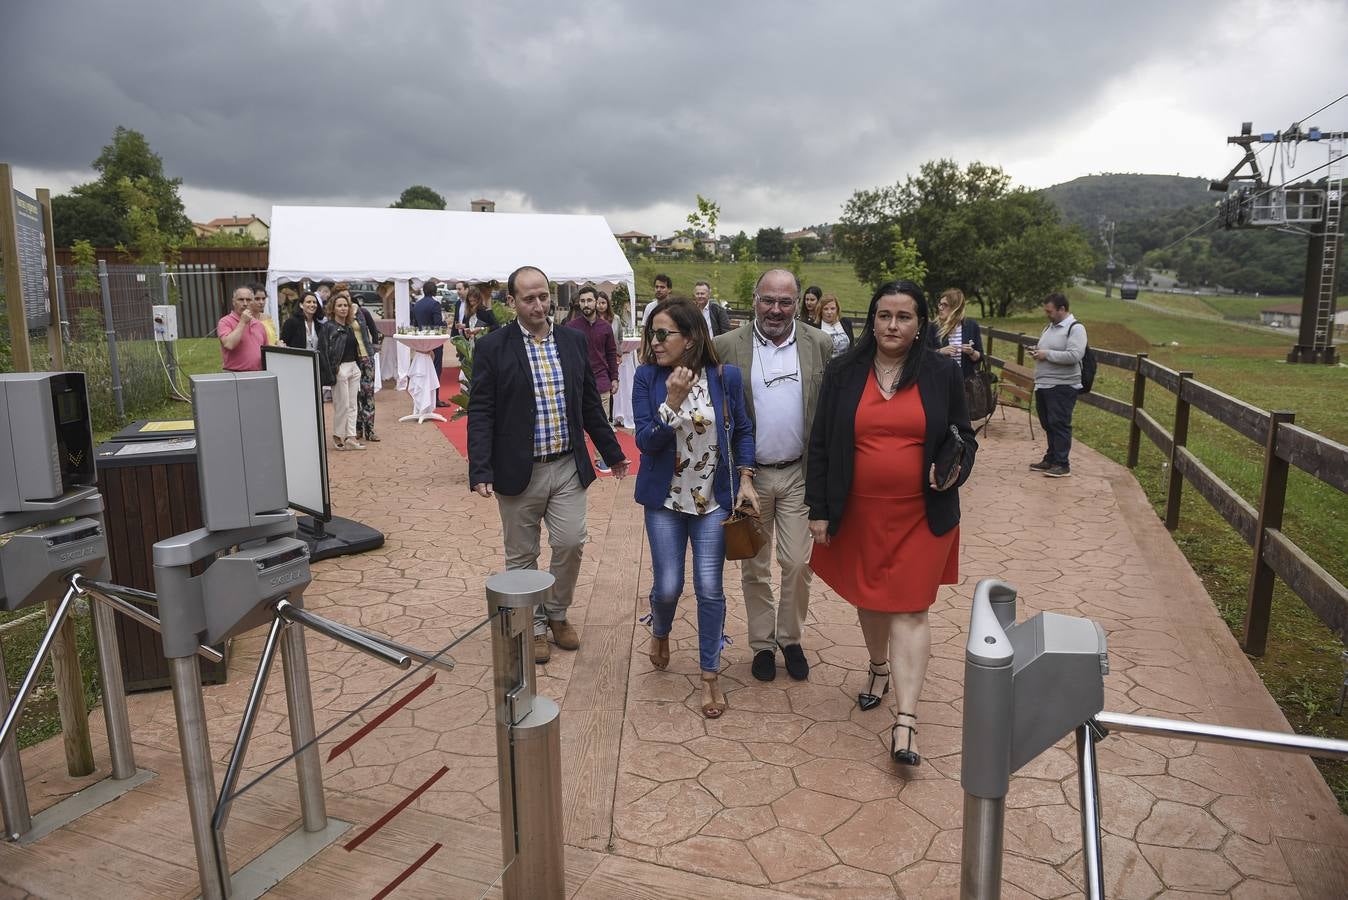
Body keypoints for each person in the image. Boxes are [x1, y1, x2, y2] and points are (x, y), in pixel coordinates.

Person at [806, 279, 976, 767]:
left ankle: (906, 721)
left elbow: (965, 436)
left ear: (920, 323)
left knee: (910, 608)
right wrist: (819, 508)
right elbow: (820, 443)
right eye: (884, 315)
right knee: (871, 600)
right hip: (856, 510)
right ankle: (878, 667)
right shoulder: (843, 372)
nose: (893, 325)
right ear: (872, 320)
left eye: (904, 317)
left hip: (922, 513)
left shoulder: (941, 372)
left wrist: (955, 468)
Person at [468, 265, 631, 664]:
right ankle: (535, 625)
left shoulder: (573, 342)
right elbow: (482, 410)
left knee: (571, 542)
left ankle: (557, 612)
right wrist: (481, 468)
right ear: (512, 303)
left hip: (566, 467)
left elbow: (590, 404)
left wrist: (613, 452)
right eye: (529, 298)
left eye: (544, 296)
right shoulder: (493, 347)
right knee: (521, 555)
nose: (539, 305)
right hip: (518, 470)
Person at [633, 299, 759, 717]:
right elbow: (646, 443)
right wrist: (671, 402)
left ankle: (710, 677)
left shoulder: (726, 378)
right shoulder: (647, 378)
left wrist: (745, 478)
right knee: (668, 586)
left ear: (689, 338)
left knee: (710, 589)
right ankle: (662, 630)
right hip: (665, 502)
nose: (655, 341)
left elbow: (741, 430)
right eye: (653, 333)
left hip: (712, 504)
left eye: (663, 333)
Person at [712, 269, 832, 683]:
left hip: (799, 472)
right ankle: (763, 644)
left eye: (785, 302)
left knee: (797, 562)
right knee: (754, 564)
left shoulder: (820, 344)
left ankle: (791, 638)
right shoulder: (726, 346)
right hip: (751, 476)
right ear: (754, 299)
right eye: (768, 300)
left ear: (798, 304)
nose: (775, 310)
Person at [1029, 292, 1086, 478]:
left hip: (1062, 385)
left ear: (1062, 309)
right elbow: (1048, 350)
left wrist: (1047, 354)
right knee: (1048, 423)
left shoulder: (1076, 328)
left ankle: (1062, 463)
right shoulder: (1049, 327)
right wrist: (1038, 352)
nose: (1048, 314)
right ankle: (1051, 458)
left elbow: (1074, 355)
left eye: (1050, 311)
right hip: (1044, 384)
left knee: (1059, 423)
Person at [566, 284, 620, 473]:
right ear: (578, 303)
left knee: (602, 422)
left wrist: (615, 378)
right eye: (582, 301)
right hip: (578, 383)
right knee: (576, 422)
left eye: (589, 300)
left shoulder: (605, 327)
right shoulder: (571, 327)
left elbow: (611, 353)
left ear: (596, 302)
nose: (586, 304)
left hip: (602, 381)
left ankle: (602, 458)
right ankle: (576, 459)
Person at [322, 291, 368, 451]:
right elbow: (323, 351)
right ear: (333, 308)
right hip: (339, 369)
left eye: (345, 306)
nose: (343, 308)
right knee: (342, 404)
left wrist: (358, 366)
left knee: (353, 404)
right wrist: (332, 370)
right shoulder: (328, 327)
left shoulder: (349, 327)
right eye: (339, 306)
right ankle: (337, 434)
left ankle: (351, 436)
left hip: (353, 367)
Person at [412, 280, 451, 408]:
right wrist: (447, 324)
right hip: (434, 342)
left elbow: (415, 325)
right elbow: (438, 323)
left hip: (421, 341)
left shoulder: (417, 305)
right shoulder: (435, 304)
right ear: (435, 291)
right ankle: (434, 398)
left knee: (423, 369)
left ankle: (423, 397)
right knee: (436, 369)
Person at [932, 288, 984, 379]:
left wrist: (971, 352)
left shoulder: (972, 326)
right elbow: (923, 355)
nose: (940, 308)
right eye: (940, 304)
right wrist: (940, 351)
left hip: (965, 382)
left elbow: (979, 357)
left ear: (956, 308)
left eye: (945, 305)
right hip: (940, 381)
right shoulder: (933, 327)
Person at [351, 295, 383, 443]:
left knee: (368, 394)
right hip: (351, 360)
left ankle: (370, 429)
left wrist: (375, 347)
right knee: (355, 395)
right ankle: (357, 429)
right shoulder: (341, 316)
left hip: (366, 357)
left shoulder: (362, 312)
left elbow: (374, 330)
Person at [217, 285, 269, 372]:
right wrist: (242, 322)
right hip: (234, 374)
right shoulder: (225, 322)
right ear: (234, 302)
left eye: (248, 300)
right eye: (241, 300)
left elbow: (266, 351)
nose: (245, 303)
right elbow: (229, 344)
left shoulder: (259, 325)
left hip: (258, 373)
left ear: (252, 302)